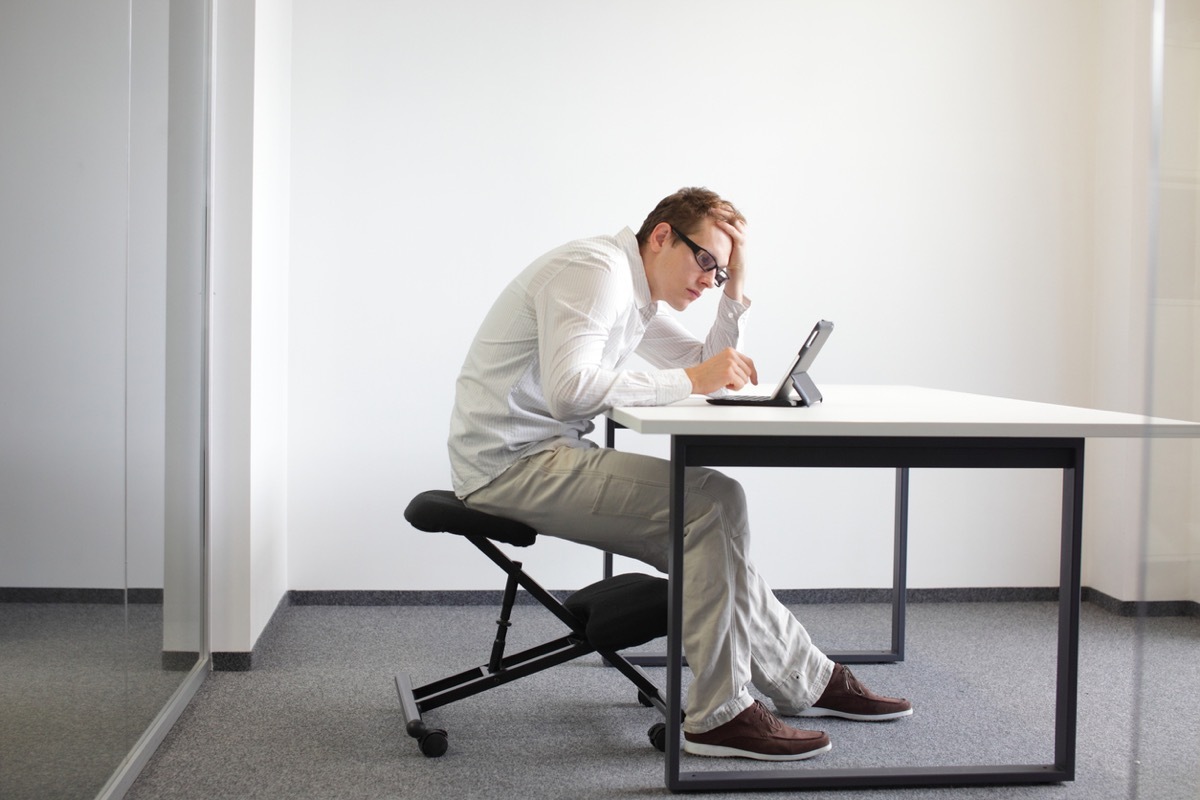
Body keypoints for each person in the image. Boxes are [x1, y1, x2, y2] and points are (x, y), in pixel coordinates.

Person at [448, 187, 911, 761]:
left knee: (711, 523)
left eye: (719, 271)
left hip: (540, 453)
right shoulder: (596, 273)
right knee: (712, 503)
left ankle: (803, 678)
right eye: (706, 262)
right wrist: (695, 379)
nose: (708, 279)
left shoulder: (633, 292)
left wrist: (735, 294)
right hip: (510, 465)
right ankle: (722, 713)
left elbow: (704, 367)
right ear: (662, 235)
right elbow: (572, 393)